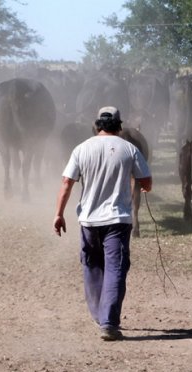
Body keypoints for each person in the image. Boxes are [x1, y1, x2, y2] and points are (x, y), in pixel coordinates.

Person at [53, 106, 152, 341]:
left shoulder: (81, 149)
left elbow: (67, 183)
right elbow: (146, 182)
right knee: (115, 268)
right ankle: (108, 321)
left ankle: (99, 314)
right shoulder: (130, 149)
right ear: (119, 126)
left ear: (97, 125)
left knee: (92, 266)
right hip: (117, 220)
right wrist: (144, 186)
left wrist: (58, 214)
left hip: (88, 220)